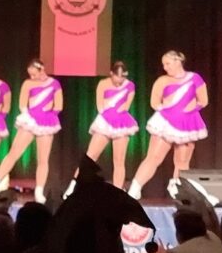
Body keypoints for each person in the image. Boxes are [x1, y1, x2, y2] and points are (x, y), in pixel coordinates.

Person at [128, 50, 209, 200]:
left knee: (182, 161)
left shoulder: (195, 78)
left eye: (168, 63)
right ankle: (135, 189)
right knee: (154, 157)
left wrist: (191, 109)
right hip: (166, 122)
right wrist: (167, 109)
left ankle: (177, 190)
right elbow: (154, 102)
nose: (165, 67)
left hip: (187, 123)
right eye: (163, 64)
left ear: (178, 61)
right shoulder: (162, 81)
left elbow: (203, 100)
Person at [0, 59, 63, 203]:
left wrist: (49, 115)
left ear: (42, 70)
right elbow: (22, 104)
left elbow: (59, 105)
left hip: (46, 121)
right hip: (30, 120)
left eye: (35, 74)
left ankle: (39, 191)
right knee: (13, 153)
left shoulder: (54, 84)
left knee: (43, 159)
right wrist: (29, 116)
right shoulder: (28, 83)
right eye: (30, 74)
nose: (32, 77)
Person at [65, 61, 138, 197]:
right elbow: (100, 106)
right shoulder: (103, 84)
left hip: (122, 123)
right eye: (117, 77)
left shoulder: (130, 86)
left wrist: (117, 114)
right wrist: (108, 117)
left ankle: (118, 194)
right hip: (105, 121)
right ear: (111, 74)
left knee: (119, 160)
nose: (119, 81)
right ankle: (73, 186)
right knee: (90, 157)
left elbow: (126, 106)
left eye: (122, 78)